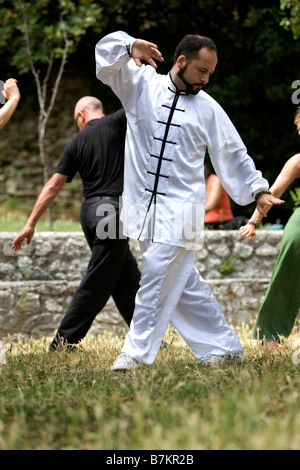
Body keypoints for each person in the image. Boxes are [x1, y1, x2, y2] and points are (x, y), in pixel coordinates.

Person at [95, 32, 284, 370]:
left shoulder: (209, 109)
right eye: (201, 71)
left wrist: (258, 189)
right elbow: (104, 59)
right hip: (141, 206)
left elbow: (232, 153)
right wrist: (127, 46)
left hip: (184, 210)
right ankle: (224, 346)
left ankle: (135, 353)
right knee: (182, 282)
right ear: (181, 62)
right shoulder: (141, 85)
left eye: (211, 73)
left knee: (155, 274)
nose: (206, 79)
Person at [12, 96, 141, 350]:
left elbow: (53, 186)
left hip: (90, 213)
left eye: (75, 120)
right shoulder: (117, 122)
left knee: (126, 277)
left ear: (81, 114)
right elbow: (141, 102)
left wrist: (30, 223)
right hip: (111, 211)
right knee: (98, 281)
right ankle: (63, 342)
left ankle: (146, 335)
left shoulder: (76, 142)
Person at [240, 108, 300, 348]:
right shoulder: (297, 161)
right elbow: (272, 193)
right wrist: (253, 221)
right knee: (290, 258)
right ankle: (270, 335)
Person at [204, 165, 246, 229]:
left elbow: (211, 206)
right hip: (205, 224)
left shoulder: (215, 180)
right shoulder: (195, 186)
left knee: (241, 220)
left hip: (222, 222)